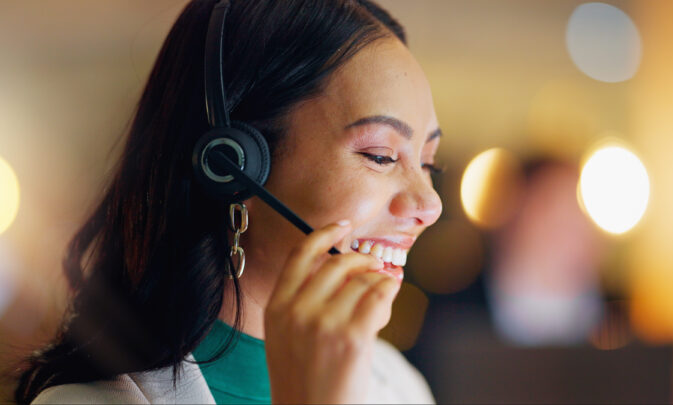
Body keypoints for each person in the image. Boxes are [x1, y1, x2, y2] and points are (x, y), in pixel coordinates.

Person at [14, 0, 443, 403]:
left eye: (429, 163)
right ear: (233, 165)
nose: (430, 204)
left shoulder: (401, 386)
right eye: (381, 157)